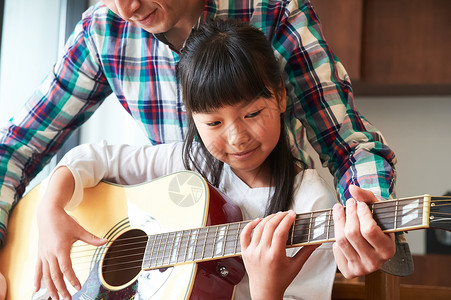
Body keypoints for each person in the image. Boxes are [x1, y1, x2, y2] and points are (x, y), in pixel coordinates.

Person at [0, 0, 407, 296]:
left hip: (277, 235)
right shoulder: (103, 29)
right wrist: (50, 209)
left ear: (279, 98)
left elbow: (349, 144)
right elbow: (15, 147)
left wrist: (366, 216)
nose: (126, 8)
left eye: (250, 114)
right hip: (166, 267)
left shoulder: (275, 12)